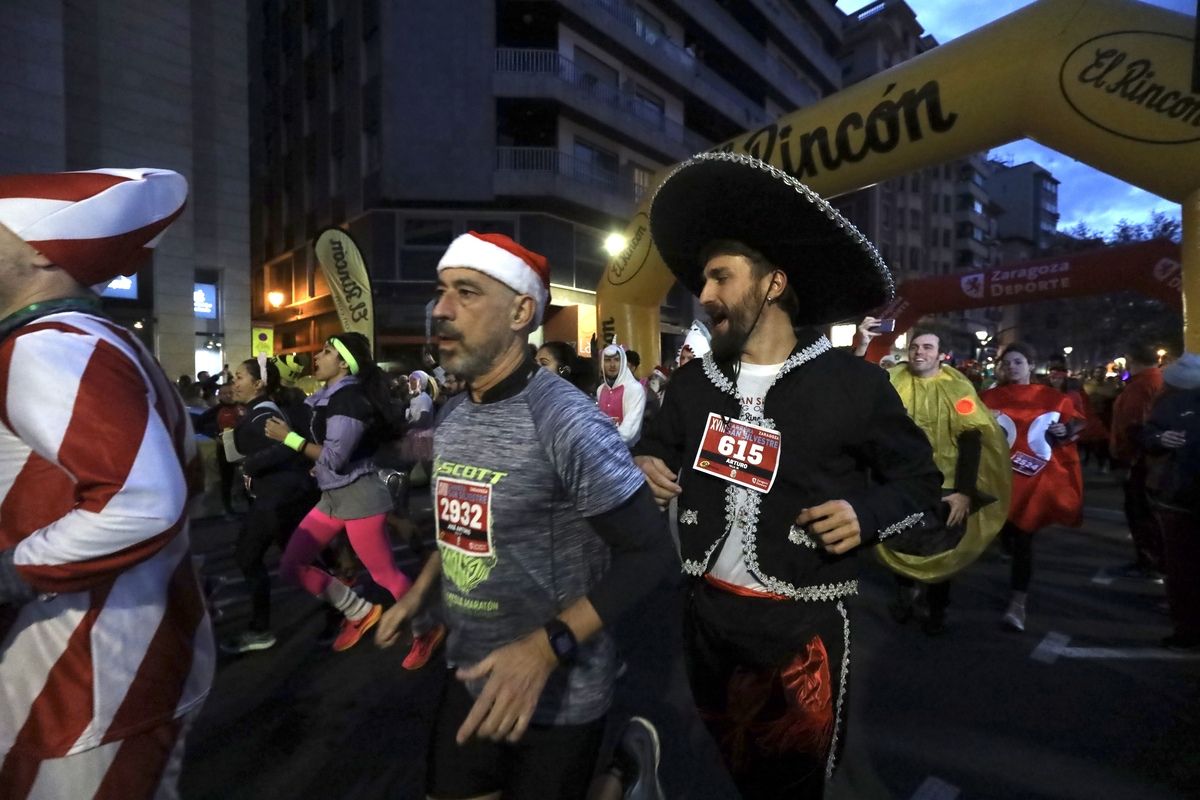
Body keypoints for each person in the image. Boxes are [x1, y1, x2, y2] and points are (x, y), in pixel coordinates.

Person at [634, 152, 942, 799]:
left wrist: (868, 514)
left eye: (720, 278)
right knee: (737, 768)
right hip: (704, 620)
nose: (706, 295)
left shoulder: (854, 384)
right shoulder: (690, 387)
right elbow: (654, 448)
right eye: (703, 281)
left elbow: (920, 484)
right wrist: (645, 462)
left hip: (803, 630)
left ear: (772, 284)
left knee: (793, 784)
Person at [377, 230, 676, 799]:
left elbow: (649, 553)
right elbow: (462, 527)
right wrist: (419, 592)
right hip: (469, 670)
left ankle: (623, 777)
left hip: (559, 690)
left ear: (520, 310)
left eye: (466, 292)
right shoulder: (457, 417)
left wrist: (546, 647)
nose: (441, 309)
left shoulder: (567, 421)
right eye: (441, 291)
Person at [0, 168, 213, 797]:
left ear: (39, 250)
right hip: (112, 666)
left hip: (83, 675)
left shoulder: (47, 347)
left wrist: (12, 570)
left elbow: (144, 503)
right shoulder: (102, 340)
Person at [265, 332, 413, 651]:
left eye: (327, 352)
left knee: (385, 575)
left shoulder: (348, 399)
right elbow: (325, 452)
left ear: (344, 364)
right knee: (292, 566)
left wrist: (288, 438)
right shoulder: (325, 396)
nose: (317, 356)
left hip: (359, 496)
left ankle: (428, 627)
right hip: (332, 497)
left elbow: (334, 457)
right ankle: (358, 610)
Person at [880, 332, 1011, 635]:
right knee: (899, 538)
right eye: (914, 347)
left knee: (940, 550)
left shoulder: (956, 389)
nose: (918, 352)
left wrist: (964, 492)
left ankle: (937, 609)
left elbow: (971, 439)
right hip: (901, 482)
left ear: (941, 355)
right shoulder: (891, 380)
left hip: (946, 484)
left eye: (927, 347)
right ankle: (906, 592)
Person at [219, 356, 321, 654]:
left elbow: (286, 446)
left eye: (239, 377)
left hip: (277, 500)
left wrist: (250, 464)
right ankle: (348, 607)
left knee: (248, 556)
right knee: (300, 564)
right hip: (277, 498)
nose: (233, 382)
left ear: (258, 383)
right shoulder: (253, 411)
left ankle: (260, 629)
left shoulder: (264, 414)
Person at [981, 343, 1084, 631]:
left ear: (1030, 365)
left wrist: (1065, 432)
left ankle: (1018, 603)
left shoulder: (1053, 397)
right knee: (1004, 536)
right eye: (1007, 362)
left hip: (1034, 480)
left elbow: (1074, 424)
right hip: (997, 479)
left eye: (1018, 361)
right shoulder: (986, 397)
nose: (1012, 366)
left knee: (1024, 539)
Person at [1141, 353, 1200, 651]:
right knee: (1180, 568)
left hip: (1177, 494)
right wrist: (1161, 438)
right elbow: (1147, 433)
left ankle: (1187, 628)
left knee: (1182, 568)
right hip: (1177, 494)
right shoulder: (1170, 402)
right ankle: (1186, 629)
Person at [1109, 342, 1165, 579]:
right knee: (1146, 512)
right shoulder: (1155, 381)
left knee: (1139, 511)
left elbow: (1134, 425)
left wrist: (1126, 459)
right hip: (1148, 460)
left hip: (1138, 460)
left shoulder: (1141, 386)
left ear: (1133, 360)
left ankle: (1149, 561)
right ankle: (1153, 559)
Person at [197, 381, 246, 517]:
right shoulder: (215, 411)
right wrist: (214, 435)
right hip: (225, 447)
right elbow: (199, 424)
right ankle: (228, 508)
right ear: (219, 396)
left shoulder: (244, 407)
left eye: (230, 393)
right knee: (227, 480)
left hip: (244, 446)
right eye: (224, 393)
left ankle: (249, 505)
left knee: (248, 477)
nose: (228, 396)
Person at [597, 343, 646, 446]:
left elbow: (628, 432)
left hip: (629, 453)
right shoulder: (600, 390)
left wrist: (601, 442)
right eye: (607, 360)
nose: (612, 364)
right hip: (603, 450)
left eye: (616, 360)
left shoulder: (635, 389)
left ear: (623, 362)